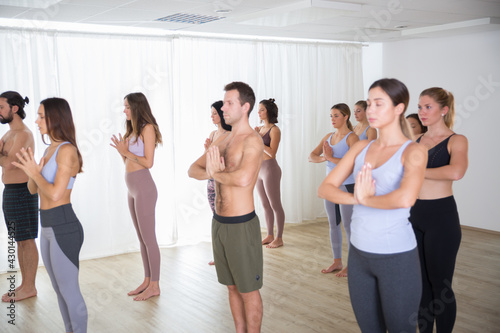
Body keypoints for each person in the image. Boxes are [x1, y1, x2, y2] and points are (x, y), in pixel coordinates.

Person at [318, 78, 428, 332]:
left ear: (399, 108)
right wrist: (358, 198)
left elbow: (405, 198)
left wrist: (365, 199)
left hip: (396, 256)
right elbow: (325, 188)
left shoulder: (412, 151)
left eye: (379, 104)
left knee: (401, 328)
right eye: (369, 104)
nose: (370, 110)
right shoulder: (361, 147)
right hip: (359, 255)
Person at [188, 81, 264, 333]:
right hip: (219, 223)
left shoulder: (253, 141)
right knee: (231, 287)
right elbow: (193, 169)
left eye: (229, 102)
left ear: (245, 107)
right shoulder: (222, 139)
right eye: (223, 102)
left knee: (248, 290)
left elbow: (243, 179)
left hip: (241, 225)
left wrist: (215, 173)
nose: (223, 107)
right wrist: (213, 171)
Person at [13, 97, 87, 332]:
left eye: (42, 116)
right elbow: (33, 189)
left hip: (64, 226)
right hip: (47, 227)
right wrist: (32, 171)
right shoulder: (50, 149)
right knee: (59, 290)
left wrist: (36, 172)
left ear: (56, 117)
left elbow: (55, 194)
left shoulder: (66, 151)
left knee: (69, 291)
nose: (36, 121)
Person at [410, 87, 468, 333]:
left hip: (441, 218)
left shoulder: (457, 140)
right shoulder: (415, 141)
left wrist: (418, 171)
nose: (422, 112)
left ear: (443, 110)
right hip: (414, 216)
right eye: (420, 107)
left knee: (440, 286)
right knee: (420, 285)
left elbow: (456, 172)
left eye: (428, 107)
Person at [110, 92, 163, 301]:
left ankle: (155, 286)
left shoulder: (147, 128)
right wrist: (121, 152)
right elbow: (128, 163)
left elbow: (148, 162)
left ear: (137, 107)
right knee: (142, 239)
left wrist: (127, 152)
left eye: (127, 107)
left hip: (144, 188)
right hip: (131, 188)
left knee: (149, 239)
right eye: (124, 107)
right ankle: (147, 279)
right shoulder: (131, 130)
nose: (124, 110)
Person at [309, 103, 358, 277]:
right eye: (331, 116)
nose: (332, 119)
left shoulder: (352, 138)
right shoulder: (328, 136)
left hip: (347, 185)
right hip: (331, 185)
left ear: (346, 117)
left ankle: (353, 264)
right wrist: (325, 158)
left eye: (336, 115)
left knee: (348, 225)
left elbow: (352, 165)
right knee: (333, 224)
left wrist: (330, 157)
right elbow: (311, 156)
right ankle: (337, 261)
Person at [0, 91, 39, 303]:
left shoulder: (23, 134)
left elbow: (9, 163)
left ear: (14, 108)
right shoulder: (8, 135)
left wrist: (2, 154)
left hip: (23, 191)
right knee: (20, 240)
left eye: (1, 107)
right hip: (10, 191)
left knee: (27, 239)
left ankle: (30, 287)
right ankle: (25, 285)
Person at [255, 98, 285, 248]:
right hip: (258, 169)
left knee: (275, 204)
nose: (259, 112)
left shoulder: (275, 130)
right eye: (258, 109)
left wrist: (259, 139)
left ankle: (279, 238)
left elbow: (272, 153)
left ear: (269, 112)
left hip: (270, 169)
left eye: (262, 109)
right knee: (265, 205)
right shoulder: (259, 129)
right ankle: (269, 235)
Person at [204, 100, 231, 265]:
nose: (212, 116)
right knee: (216, 217)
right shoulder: (213, 134)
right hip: (210, 180)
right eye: (211, 113)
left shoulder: (229, 135)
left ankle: (229, 255)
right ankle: (220, 255)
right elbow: (206, 157)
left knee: (225, 218)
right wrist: (207, 149)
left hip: (223, 180)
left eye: (214, 113)